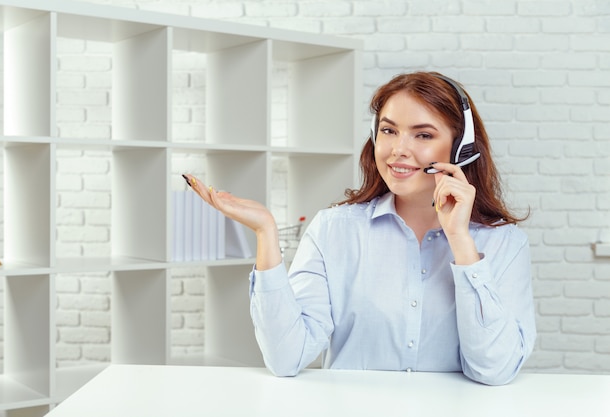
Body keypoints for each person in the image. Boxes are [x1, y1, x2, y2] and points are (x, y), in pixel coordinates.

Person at [183, 71, 536, 386]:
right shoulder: (333, 230)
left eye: (423, 135)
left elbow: (494, 370)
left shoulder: (505, 243)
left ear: (462, 148)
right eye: (388, 130)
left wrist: (461, 243)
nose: (399, 150)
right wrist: (265, 234)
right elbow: (286, 358)